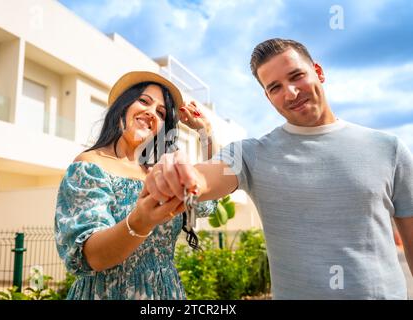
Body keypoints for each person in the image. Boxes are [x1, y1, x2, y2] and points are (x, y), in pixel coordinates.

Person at [144, 39, 413, 299]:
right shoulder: (250, 154)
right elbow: (206, 176)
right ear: (267, 96)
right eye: (275, 87)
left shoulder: (388, 148)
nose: (291, 93)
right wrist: (177, 174)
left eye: (297, 76)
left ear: (318, 72)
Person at [54, 71, 217, 300]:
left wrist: (205, 133)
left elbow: (206, 205)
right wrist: (142, 220)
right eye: (144, 101)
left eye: (161, 112)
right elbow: (93, 257)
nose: (151, 112)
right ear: (122, 106)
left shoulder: (158, 171)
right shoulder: (90, 165)